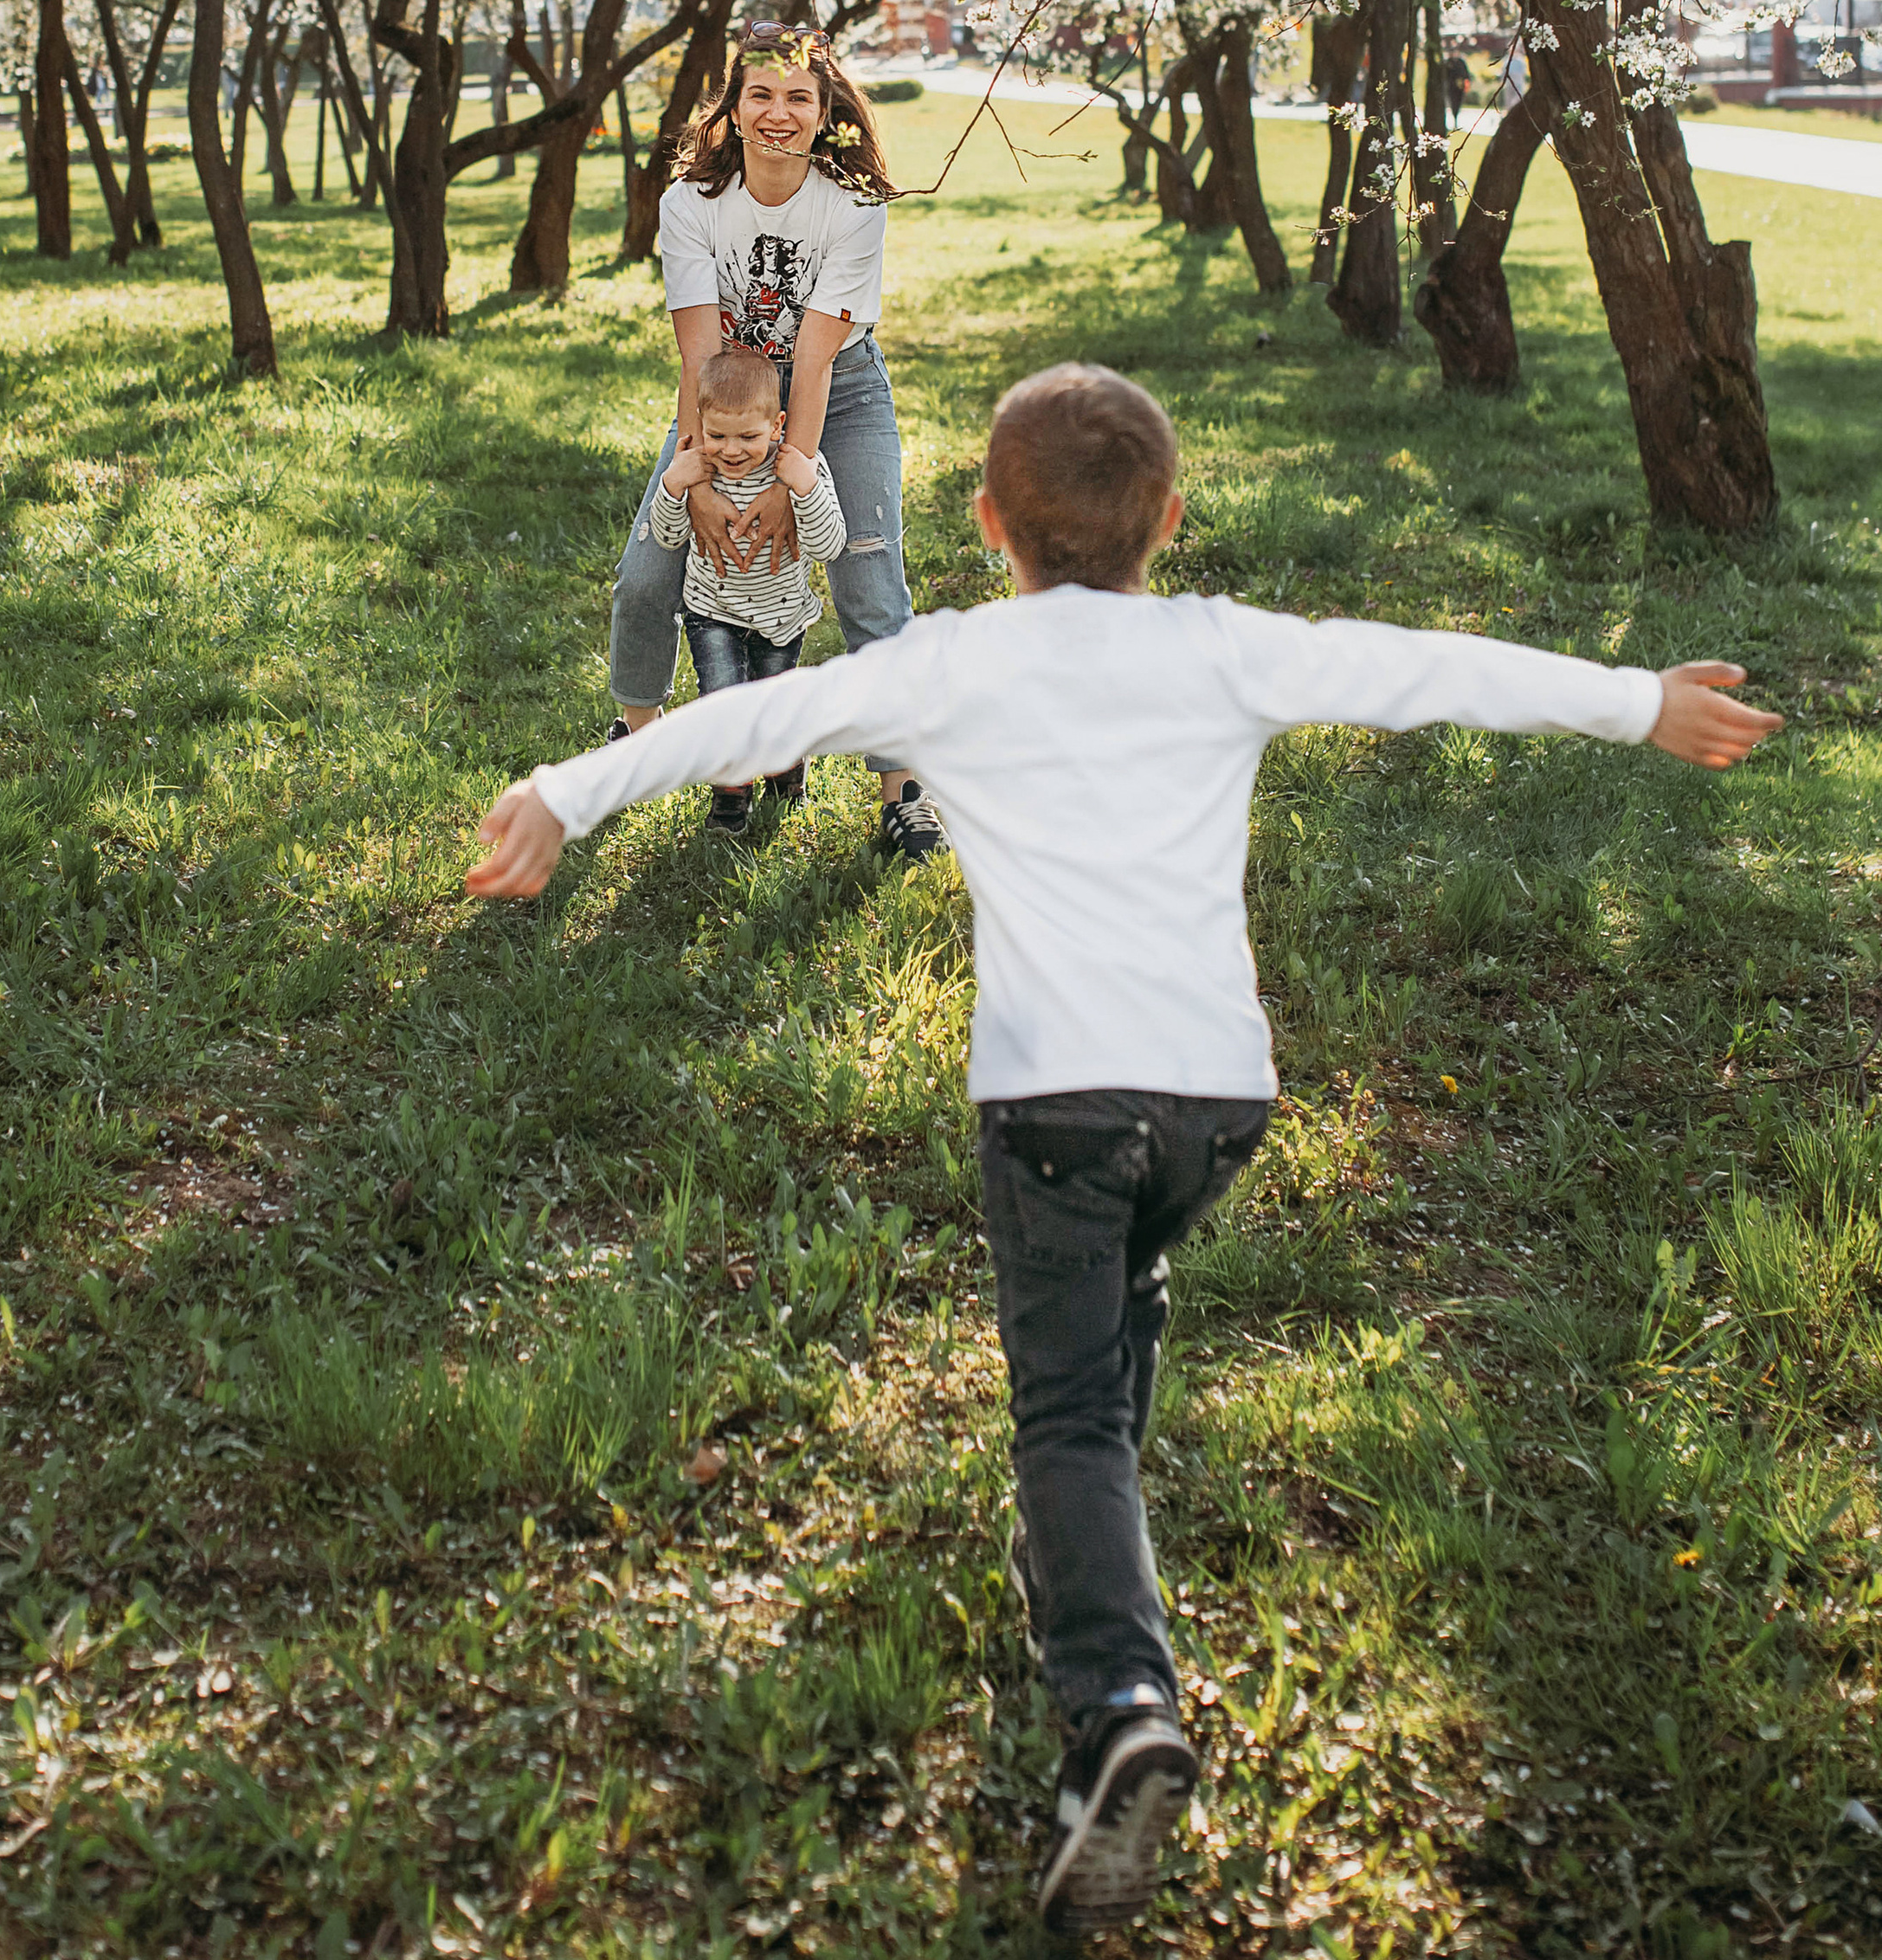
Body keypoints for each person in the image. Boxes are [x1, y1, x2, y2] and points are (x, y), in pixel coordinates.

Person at [470, 362, 1780, 1931]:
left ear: (983, 525)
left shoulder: (945, 665)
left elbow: (751, 716)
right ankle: (1096, 1571)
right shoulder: (1222, 647)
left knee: (1069, 1408)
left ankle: (1118, 1705)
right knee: (1128, 1305)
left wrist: (564, 789)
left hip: (1055, 1107)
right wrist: (1641, 702)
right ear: (1171, 518)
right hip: (1217, 1103)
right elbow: (1422, 669)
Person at [607, 17, 942, 863]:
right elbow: (697, 352)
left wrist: (795, 481)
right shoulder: (689, 205)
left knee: (868, 579)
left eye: (799, 96)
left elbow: (819, 361)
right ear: (735, 105)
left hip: (841, 394)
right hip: (723, 404)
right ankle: (634, 737)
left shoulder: (854, 209)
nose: (778, 113)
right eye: (761, 94)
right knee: (649, 572)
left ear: (826, 108)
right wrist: (709, 473)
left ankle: (903, 791)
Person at [652, 341, 848, 834]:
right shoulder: (697, 470)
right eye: (717, 434)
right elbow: (668, 536)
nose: (732, 450)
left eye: (749, 436)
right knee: (722, 698)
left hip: (780, 618)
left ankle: (785, 770)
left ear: (777, 427)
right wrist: (676, 486)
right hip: (712, 610)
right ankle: (730, 795)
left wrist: (804, 486)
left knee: (773, 703)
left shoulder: (800, 468)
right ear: (700, 423)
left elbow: (828, 546)